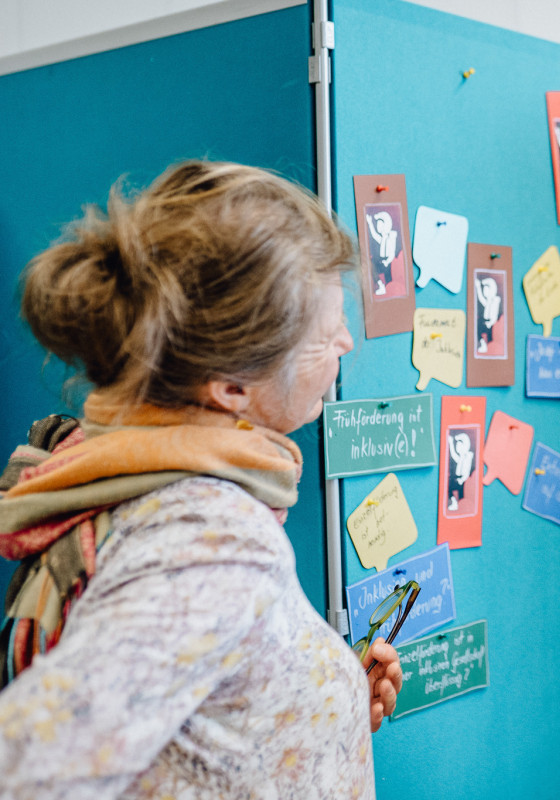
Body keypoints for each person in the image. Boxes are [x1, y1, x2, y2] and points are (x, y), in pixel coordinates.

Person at [0, 161, 401, 799]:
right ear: (231, 387)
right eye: (326, 335)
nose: (348, 343)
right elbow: (31, 766)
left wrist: (321, 709)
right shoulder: (213, 538)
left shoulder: (111, 466)